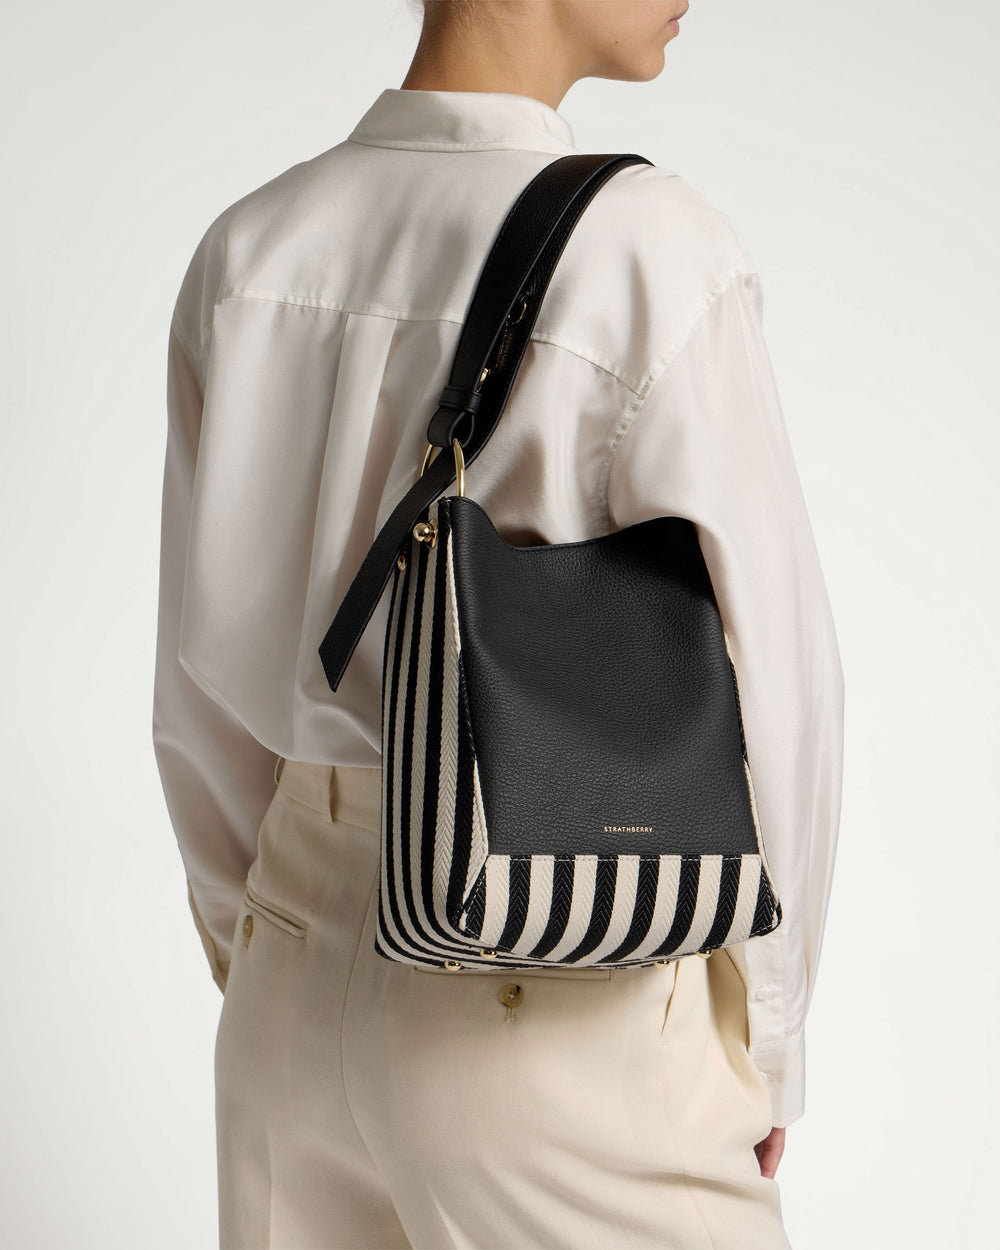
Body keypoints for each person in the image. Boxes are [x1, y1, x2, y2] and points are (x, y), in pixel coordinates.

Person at [152, 2, 845, 1247]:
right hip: (552, 987)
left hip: (287, 983)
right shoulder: (648, 251)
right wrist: (770, 1034)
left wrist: (266, 948)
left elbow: (197, 692)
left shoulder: (251, 250)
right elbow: (781, 683)